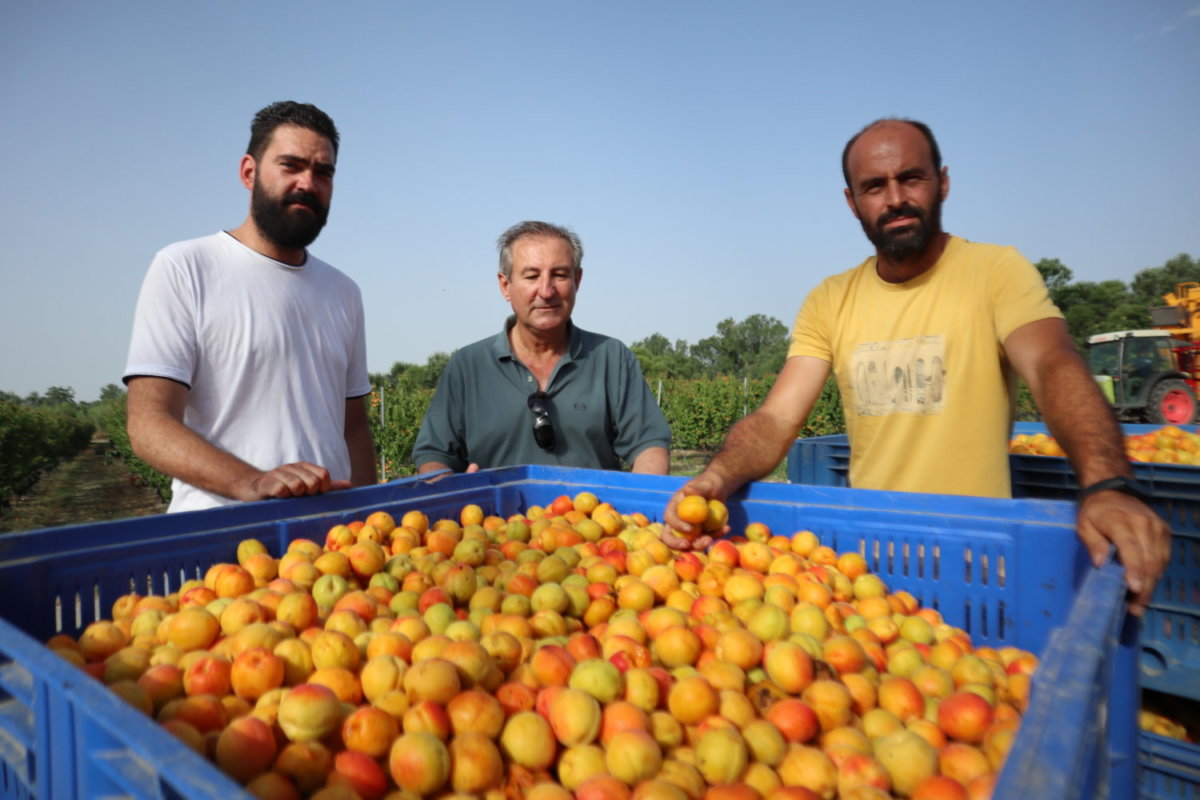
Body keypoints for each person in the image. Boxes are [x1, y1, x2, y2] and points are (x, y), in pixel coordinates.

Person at [663, 117, 1171, 617]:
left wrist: (1107, 484)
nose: (895, 198)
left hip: (978, 569)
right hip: (864, 575)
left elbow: (1052, 364)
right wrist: (716, 477)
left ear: (942, 182)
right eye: (874, 186)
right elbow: (776, 419)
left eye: (911, 178)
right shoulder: (829, 301)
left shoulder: (995, 272)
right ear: (852, 202)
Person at [123, 101, 376, 513]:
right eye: (290, 165)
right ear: (249, 172)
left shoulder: (344, 292)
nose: (308, 183)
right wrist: (252, 482)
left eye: (323, 172)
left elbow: (354, 427)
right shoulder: (186, 268)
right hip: (219, 544)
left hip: (329, 544)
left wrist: (370, 518)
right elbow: (149, 423)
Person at [412, 220, 671, 475]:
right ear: (506, 285)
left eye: (559, 275)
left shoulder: (612, 358)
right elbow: (435, 455)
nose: (546, 291)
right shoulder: (468, 366)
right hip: (495, 516)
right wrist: (453, 493)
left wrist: (640, 502)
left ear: (577, 280)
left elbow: (648, 445)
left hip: (594, 515)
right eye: (532, 276)